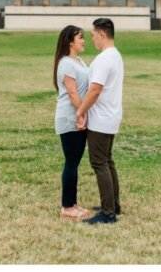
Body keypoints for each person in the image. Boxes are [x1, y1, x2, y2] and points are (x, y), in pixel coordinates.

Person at [75, 17, 124, 225]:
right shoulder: (115, 56)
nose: (92, 39)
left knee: (99, 163)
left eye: (94, 35)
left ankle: (108, 213)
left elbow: (95, 90)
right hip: (110, 116)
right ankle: (114, 205)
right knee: (108, 161)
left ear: (102, 34)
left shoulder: (105, 59)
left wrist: (81, 111)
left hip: (102, 119)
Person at [53, 24, 92, 220]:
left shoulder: (78, 61)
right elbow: (72, 92)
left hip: (78, 114)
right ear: (70, 41)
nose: (84, 40)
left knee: (74, 162)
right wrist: (81, 114)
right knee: (71, 162)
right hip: (70, 117)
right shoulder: (67, 63)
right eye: (80, 37)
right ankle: (67, 207)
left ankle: (73, 203)